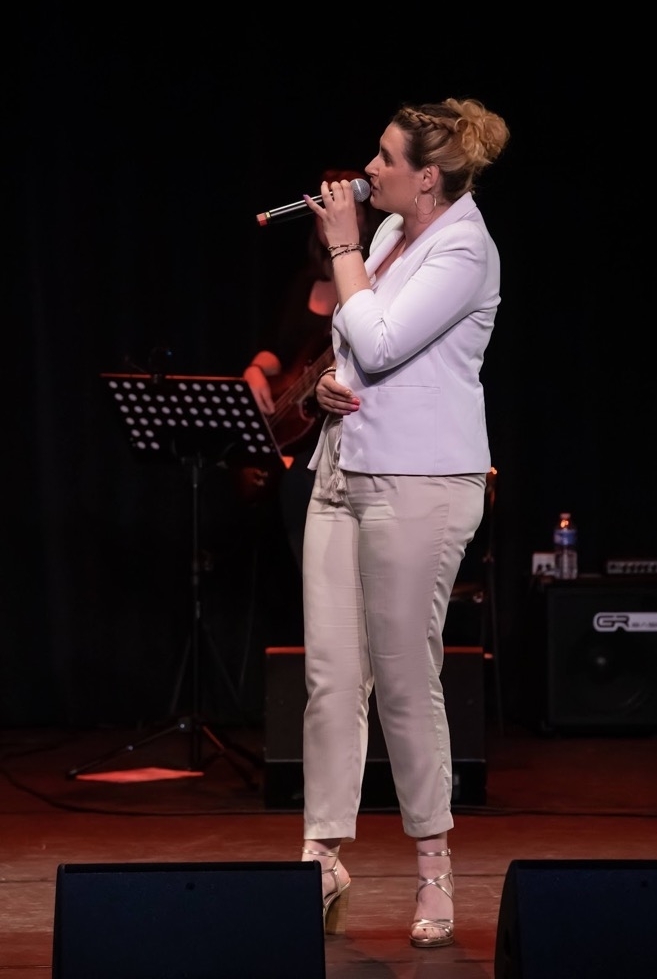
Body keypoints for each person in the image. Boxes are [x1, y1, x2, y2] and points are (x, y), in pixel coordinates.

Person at [298, 97, 510, 947]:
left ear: (428, 178)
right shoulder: (390, 232)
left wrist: (341, 245)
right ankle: (322, 855)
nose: (368, 169)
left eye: (386, 158)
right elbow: (359, 348)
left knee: (403, 676)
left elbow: (385, 343)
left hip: (419, 482)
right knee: (331, 675)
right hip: (342, 469)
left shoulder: (465, 248)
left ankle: (433, 864)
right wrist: (328, 384)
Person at [241, 169, 382, 573]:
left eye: (343, 206)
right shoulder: (305, 282)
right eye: (324, 206)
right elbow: (278, 350)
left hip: (344, 429)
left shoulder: (372, 277)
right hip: (295, 429)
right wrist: (255, 370)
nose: (329, 215)